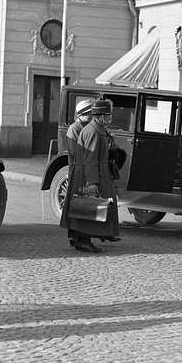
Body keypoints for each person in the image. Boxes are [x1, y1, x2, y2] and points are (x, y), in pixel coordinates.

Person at [63, 99, 120, 252]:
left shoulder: (97, 129)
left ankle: (90, 236)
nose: (109, 118)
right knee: (87, 206)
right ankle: (83, 240)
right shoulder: (92, 131)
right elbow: (90, 158)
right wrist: (92, 182)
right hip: (90, 175)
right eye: (108, 115)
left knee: (93, 206)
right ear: (101, 116)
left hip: (98, 172)